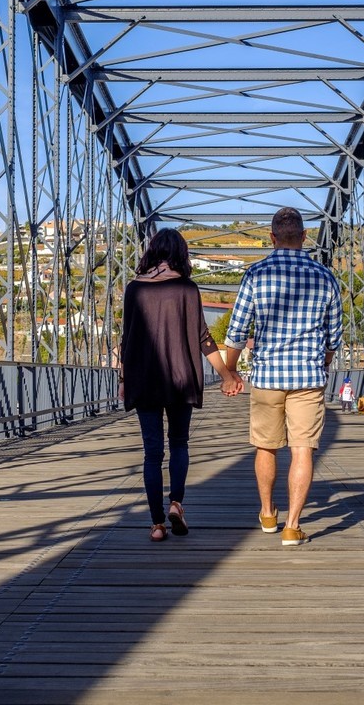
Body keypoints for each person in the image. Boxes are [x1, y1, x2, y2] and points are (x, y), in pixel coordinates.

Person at [224, 208, 343, 547]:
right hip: (307, 376)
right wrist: (323, 363)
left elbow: (236, 332)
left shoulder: (256, 274)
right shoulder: (325, 277)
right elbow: (334, 337)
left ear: (272, 238)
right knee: (303, 449)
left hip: (266, 378)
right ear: (305, 238)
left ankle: (267, 513)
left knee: (266, 447)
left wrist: (231, 369)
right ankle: (292, 526)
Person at [120, 228, 243, 543]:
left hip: (144, 379)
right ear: (181, 254)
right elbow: (204, 337)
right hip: (180, 377)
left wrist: (123, 379)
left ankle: (157, 524)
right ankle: (176, 502)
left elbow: (128, 340)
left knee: (152, 452)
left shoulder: (134, 289)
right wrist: (227, 374)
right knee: (179, 444)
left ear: (151, 252)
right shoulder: (188, 289)